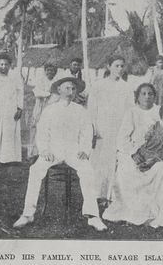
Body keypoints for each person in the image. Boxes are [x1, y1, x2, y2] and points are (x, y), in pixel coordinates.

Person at [13, 77, 107, 231]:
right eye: (67, 88)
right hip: (53, 150)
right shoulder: (50, 110)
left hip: (74, 150)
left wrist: (85, 149)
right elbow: (43, 132)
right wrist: (44, 150)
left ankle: (93, 216)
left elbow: (86, 132)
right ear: (59, 90)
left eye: (73, 89)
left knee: (88, 171)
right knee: (35, 170)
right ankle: (28, 214)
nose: (70, 92)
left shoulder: (81, 111)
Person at [102, 83, 163, 230]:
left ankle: (158, 212)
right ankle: (131, 212)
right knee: (126, 169)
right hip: (132, 152)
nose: (147, 97)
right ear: (137, 96)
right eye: (143, 94)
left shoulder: (161, 111)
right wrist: (134, 153)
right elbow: (122, 139)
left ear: (154, 96)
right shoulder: (131, 112)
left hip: (157, 153)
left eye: (150, 94)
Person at [88, 55, 134, 201]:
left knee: (116, 160)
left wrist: (127, 130)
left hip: (119, 128)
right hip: (102, 127)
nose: (120, 69)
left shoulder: (126, 87)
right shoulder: (99, 85)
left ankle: (114, 195)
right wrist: (93, 128)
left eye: (122, 66)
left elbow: (130, 110)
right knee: (100, 161)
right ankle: (98, 194)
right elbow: (92, 108)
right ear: (109, 66)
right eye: (116, 66)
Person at [28, 63, 60, 158]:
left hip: (51, 109)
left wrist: (50, 97)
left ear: (55, 72)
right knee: (35, 129)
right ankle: (33, 153)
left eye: (52, 70)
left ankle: (48, 151)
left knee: (49, 130)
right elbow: (37, 92)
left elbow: (57, 96)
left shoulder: (57, 83)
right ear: (45, 71)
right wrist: (47, 94)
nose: (50, 72)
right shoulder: (40, 80)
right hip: (40, 108)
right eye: (48, 70)